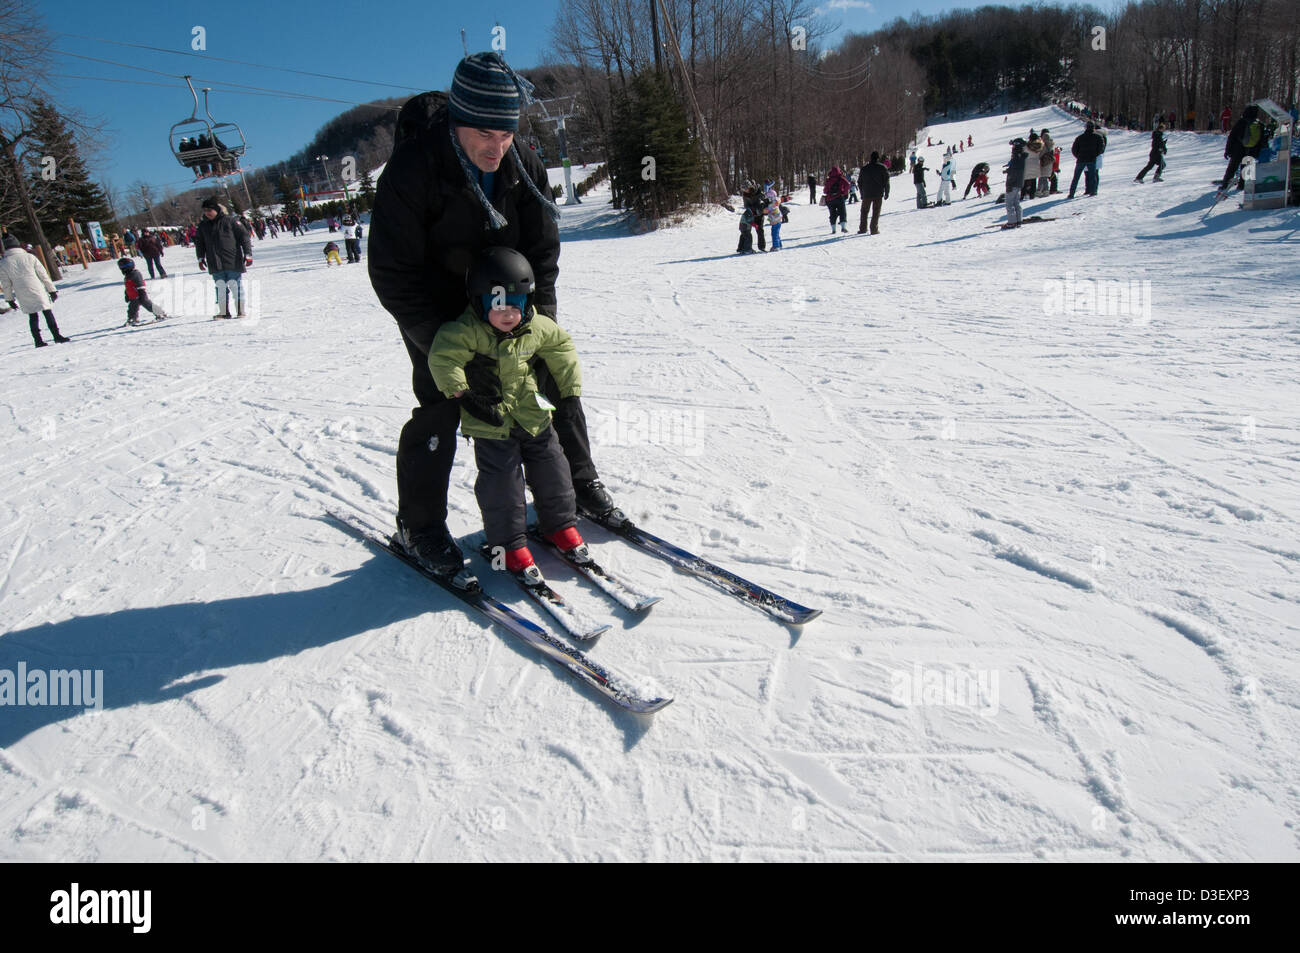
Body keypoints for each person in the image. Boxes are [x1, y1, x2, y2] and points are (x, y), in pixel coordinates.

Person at [368, 50, 616, 578]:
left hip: (508, 298)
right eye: (483, 132)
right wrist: (447, 345)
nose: (495, 146)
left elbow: (543, 251)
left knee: (551, 376)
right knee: (441, 402)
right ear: (458, 120)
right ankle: (420, 527)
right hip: (435, 310)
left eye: (505, 133)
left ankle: (579, 482)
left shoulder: (520, 162)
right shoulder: (412, 171)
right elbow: (392, 273)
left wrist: (538, 323)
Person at [427, 247, 587, 586]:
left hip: (534, 416)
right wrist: (464, 395)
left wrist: (569, 393)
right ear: (480, 302)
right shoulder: (466, 330)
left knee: (554, 470)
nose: (508, 314)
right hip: (491, 422)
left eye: (515, 305)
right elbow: (443, 357)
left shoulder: (537, 326)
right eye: (497, 305)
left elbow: (562, 348)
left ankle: (560, 525)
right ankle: (508, 546)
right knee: (502, 487)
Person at [0, 233, 69, 346]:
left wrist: (9, 299)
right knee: (47, 312)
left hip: (21, 292)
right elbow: (43, 275)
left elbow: (6, 284)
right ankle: (57, 336)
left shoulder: (3, 263)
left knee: (32, 315)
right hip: (37, 288)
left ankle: (38, 340)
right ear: (17, 245)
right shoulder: (30, 257)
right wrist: (51, 290)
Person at [194, 197, 253, 318]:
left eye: (209, 210)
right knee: (220, 287)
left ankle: (240, 310)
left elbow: (244, 237)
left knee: (235, 285)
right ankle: (223, 312)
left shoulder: (230, 221)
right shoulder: (203, 226)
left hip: (232, 260)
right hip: (214, 262)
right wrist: (200, 258)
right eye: (205, 211)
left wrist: (248, 254)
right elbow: (199, 243)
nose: (207, 213)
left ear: (216, 209)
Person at [1220, 104, 1266, 190]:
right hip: (1251, 150)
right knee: (1246, 168)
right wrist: (1257, 151)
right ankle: (1242, 186)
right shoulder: (1258, 124)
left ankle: (1225, 185)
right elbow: (1261, 139)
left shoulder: (1241, 122)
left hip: (1238, 149)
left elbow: (1232, 137)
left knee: (1232, 168)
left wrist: (1228, 150)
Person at [117, 256, 169, 325]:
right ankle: (132, 318)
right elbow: (128, 287)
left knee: (148, 305)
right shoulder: (127, 276)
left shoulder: (135, 273)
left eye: (123, 267)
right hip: (133, 296)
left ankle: (161, 313)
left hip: (140, 294)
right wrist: (126, 294)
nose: (122, 269)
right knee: (132, 309)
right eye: (121, 267)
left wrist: (141, 293)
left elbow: (140, 283)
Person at [1068, 122, 1106, 197]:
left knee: (1076, 177)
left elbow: (1074, 149)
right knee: (1093, 176)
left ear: (1085, 128)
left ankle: (1071, 193)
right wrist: (1095, 154)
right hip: (1092, 159)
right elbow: (1101, 149)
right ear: (1093, 128)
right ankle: (1093, 191)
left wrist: (1078, 156)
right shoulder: (1098, 137)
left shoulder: (1079, 137)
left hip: (1081, 159)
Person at [856, 151, 889, 234]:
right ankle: (874, 229)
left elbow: (860, 182)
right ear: (878, 158)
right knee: (876, 211)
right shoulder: (882, 168)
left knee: (864, 212)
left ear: (870, 158)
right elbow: (886, 181)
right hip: (878, 193)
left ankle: (863, 228)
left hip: (867, 193)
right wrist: (886, 192)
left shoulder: (864, 168)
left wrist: (862, 193)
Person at [1003, 139, 1028, 228]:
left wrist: (1009, 184)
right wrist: (1009, 170)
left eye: (1013, 146)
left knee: (1009, 203)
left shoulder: (1016, 157)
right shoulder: (1021, 156)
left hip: (1013, 183)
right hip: (1018, 182)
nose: (1012, 148)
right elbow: (1017, 170)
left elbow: (1014, 171)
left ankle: (1012, 222)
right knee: (1016, 202)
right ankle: (1018, 220)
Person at [822, 165, 850, 232]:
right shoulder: (841, 178)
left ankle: (833, 229)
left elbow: (825, 191)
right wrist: (844, 192)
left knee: (832, 214)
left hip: (830, 199)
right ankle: (843, 227)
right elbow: (847, 184)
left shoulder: (828, 180)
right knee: (842, 212)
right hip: (839, 197)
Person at [763, 185, 785, 250]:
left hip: (776, 220)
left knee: (774, 233)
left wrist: (764, 210)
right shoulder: (775, 201)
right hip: (777, 220)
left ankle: (776, 246)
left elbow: (767, 210)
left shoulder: (772, 203)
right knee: (776, 233)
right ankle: (779, 244)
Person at [1037, 128, 1055, 195]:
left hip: (1043, 162)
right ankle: (1043, 190)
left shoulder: (1044, 145)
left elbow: (1041, 153)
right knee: (1044, 177)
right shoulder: (1051, 144)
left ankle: (1042, 190)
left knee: (1042, 176)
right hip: (1049, 162)